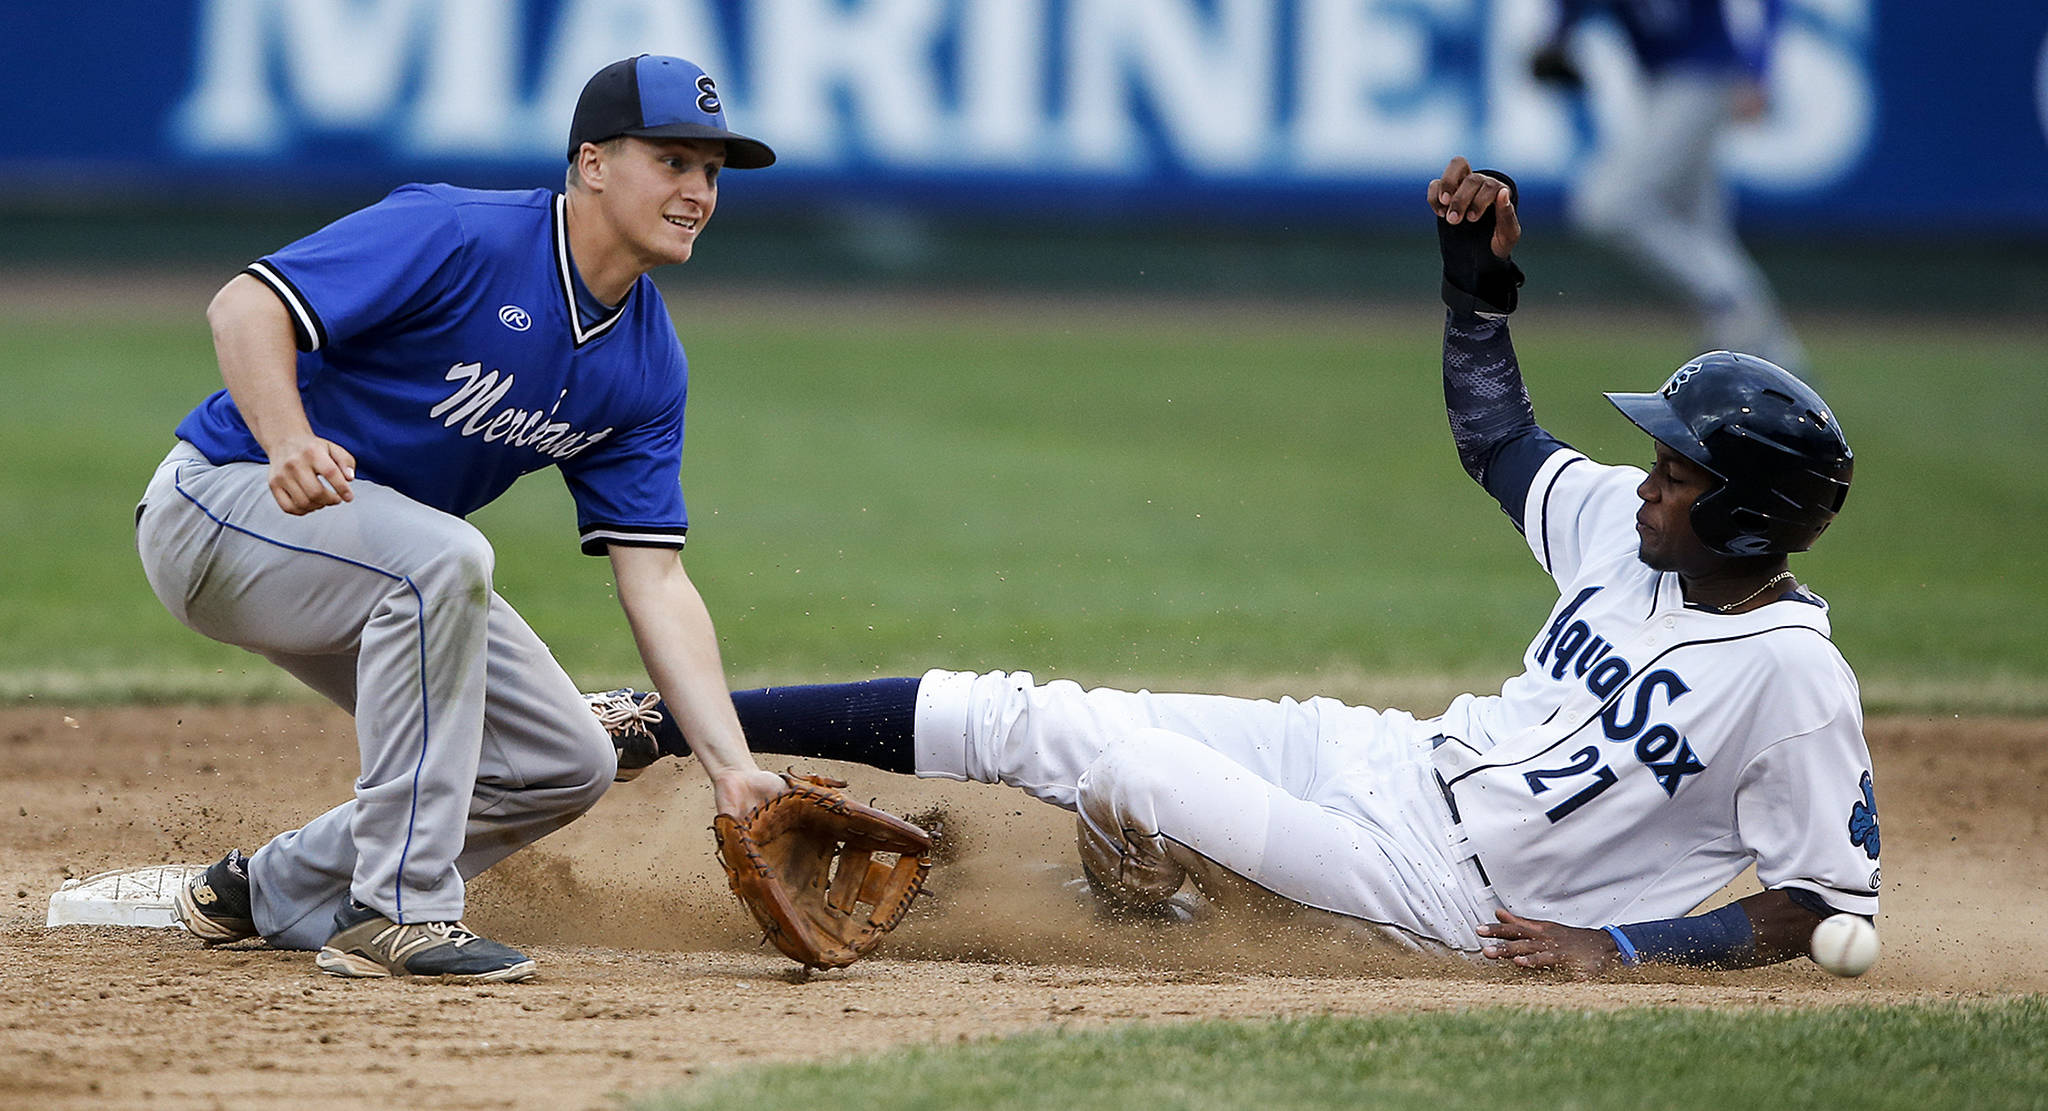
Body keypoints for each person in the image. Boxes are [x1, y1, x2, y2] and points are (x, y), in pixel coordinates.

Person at [587, 158, 1878, 976]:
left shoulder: (1793, 679)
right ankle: (662, 721)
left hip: (1448, 893)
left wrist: (1624, 945)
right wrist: (1476, 297)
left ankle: (1135, 909)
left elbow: (1819, 901)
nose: (1648, 473)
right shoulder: (1630, 532)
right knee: (1031, 713)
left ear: (1752, 518)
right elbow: (1498, 436)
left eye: (1681, 467)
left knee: (1133, 773)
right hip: (1386, 759)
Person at [143, 55, 787, 982]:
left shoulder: (647, 362)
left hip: (369, 568)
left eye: (712, 173)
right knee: (445, 556)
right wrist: (287, 438)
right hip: (220, 506)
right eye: (674, 162)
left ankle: (264, 888)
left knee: (562, 758)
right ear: (593, 162)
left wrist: (730, 767)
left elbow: (656, 577)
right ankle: (397, 912)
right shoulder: (459, 230)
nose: (698, 191)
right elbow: (245, 304)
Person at [1532, 0, 1808, 376]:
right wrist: (1559, 35)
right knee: (1702, 230)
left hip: (1704, 77)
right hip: (1658, 83)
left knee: (1608, 207)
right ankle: (1776, 358)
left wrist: (1759, 67)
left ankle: (1729, 306)